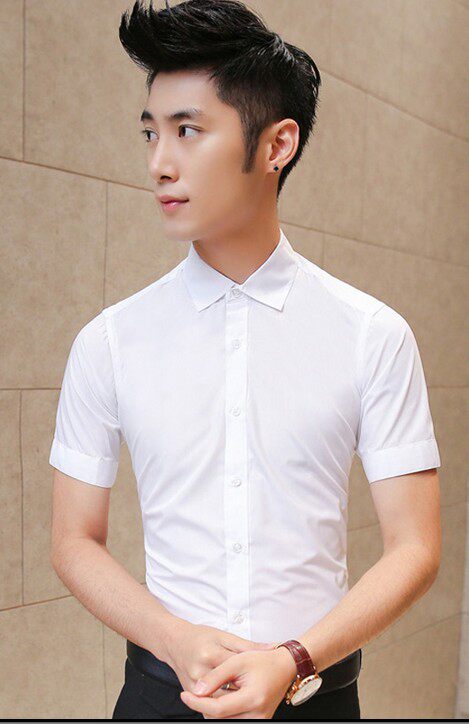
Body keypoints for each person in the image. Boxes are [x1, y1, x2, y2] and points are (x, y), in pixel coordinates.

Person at [49, 0, 442, 720]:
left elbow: (415, 547)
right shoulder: (109, 341)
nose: (158, 163)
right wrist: (173, 638)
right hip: (161, 696)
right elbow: (74, 541)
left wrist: (293, 658)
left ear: (276, 144)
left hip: (318, 697)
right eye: (150, 132)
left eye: (188, 131)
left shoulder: (371, 334)